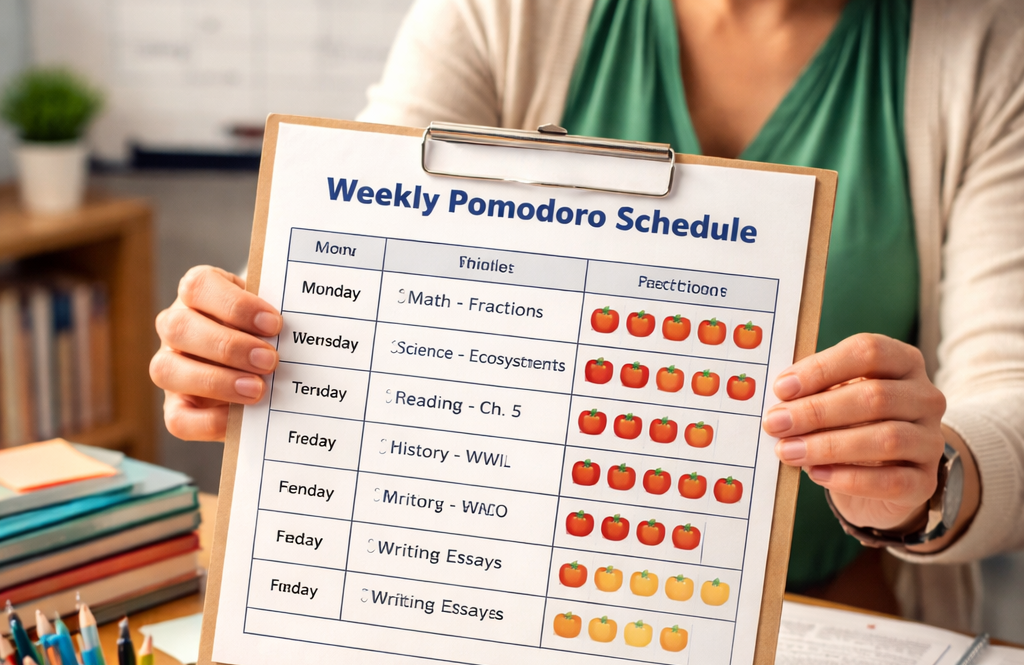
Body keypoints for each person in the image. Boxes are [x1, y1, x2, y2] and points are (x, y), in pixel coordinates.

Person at [150, 0, 1024, 632]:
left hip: (823, 623)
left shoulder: (986, 46)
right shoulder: (504, 15)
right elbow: (359, 234)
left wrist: (929, 479)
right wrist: (243, 342)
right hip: (481, 606)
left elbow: (1009, 391)